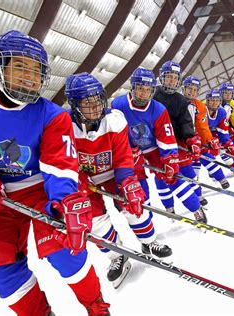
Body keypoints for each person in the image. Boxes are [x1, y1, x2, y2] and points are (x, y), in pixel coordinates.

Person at [0, 30, 109, 316]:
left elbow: (59, 165)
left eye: (37, 70)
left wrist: (64, 202)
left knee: (67, 254)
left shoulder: (53, 115)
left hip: (42, 191)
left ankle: (96, 307)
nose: (30, 76)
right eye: (20, 66)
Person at [65, 72, 172, 289]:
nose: (95, 107)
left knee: (134, 205)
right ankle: (117, 256)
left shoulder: (114, 119)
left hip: (115, 173)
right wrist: (76, 175)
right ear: (74, 105)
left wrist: (128, 181)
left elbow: (123, 155)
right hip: (85, 181)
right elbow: (62, 157)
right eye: (87, 103)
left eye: (97, 101)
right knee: (93, 220)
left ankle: (149, 243)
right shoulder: (63, 125)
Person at [112, 67, 207, 223]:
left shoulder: (158, 109)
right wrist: (127, 151)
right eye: (140, 88)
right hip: (130, 151)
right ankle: (145, 219)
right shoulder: (118, 105)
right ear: (132, 87)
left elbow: (166, 136)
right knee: (137, 186)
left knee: (173, 177)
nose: (143, 93)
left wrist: (169, 159)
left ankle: (196, 208)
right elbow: (114, 133)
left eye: (147, 89)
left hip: (154, 147)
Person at [182, 75, 229, 188]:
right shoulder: (176, 101)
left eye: (195, 89)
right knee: (189, 167)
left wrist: (209, 140)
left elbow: (202, 127)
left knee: (205, 155)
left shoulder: (200, 106)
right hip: (180, 140)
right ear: (183, 89)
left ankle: (221, 177)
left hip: (194, 138)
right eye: (189, 88)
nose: (192, 92)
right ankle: (195, 190)